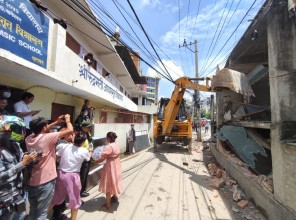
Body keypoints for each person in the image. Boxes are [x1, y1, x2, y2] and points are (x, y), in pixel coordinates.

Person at [25, 115, 73, 220]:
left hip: (31, 181)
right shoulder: (48, 137)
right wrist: (68, 120)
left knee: (33, 209)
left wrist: (56, 122)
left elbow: (41, 130)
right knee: (42, 213)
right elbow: (70, 130)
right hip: (45, 181)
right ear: (44, 128)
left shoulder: (28, 139)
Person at [0, 115, 37, 220]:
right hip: (4, 201)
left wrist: (30, 159)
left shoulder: (15, 145)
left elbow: (22, 162)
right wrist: (22, 164)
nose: (11, 134)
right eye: (8, 132)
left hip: (18, 194)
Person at [49, 131, 92, 220]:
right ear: (84, 142)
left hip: (61, 174)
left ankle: (41, 216)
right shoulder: (84, 151)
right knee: (75, 200)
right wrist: (90, 151)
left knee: (55, 197)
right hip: (73, 176)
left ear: (74, 138)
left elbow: (56, 157)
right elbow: (88, 157)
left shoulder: (64, 146)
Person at [95, 132, 122, 210]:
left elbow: (102, 157)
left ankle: (108, 205)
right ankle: (115, 197)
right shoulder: (116, 144)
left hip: (110, 166)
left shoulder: (109, 147)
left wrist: (95, 161)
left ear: (109, 138)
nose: (106, 139)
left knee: (108, 183)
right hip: (116, 165)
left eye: (107, 138)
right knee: (115, 181)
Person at [79, 121, 93, 198]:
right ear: (83, 127)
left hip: (88, 156)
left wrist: (91, 149)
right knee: (82, 175)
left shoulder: (88, 133)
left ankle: (83, 189)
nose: (89, 128)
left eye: (90, 127)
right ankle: (81, 191)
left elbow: (90, 142)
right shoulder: (80, 135)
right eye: (88, 127)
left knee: (85, 174)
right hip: (83, 158)